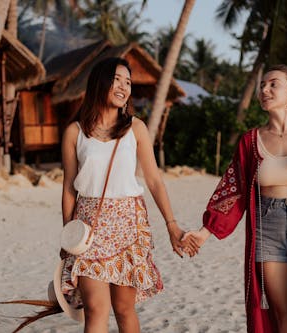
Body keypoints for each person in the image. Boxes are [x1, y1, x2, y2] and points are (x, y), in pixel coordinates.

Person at [183, 64, 287, 332]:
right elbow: (233, 190)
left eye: (273, 84)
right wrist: (204, 233)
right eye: (262, 85)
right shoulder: (250, 140)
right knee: (283, 317)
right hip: (267, 228)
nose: (265, 90)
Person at [59, 57, 196, 333]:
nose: (124, 86)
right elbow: (68, 187)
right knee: (96, 309)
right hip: (89, 227)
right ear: (100, 82)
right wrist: (68, 235)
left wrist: (171, 224)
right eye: (117, 79)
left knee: (123, 308)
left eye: (128, 82)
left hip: (128, 225)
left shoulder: (136, 129)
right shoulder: (75, 132)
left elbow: (155, 181)